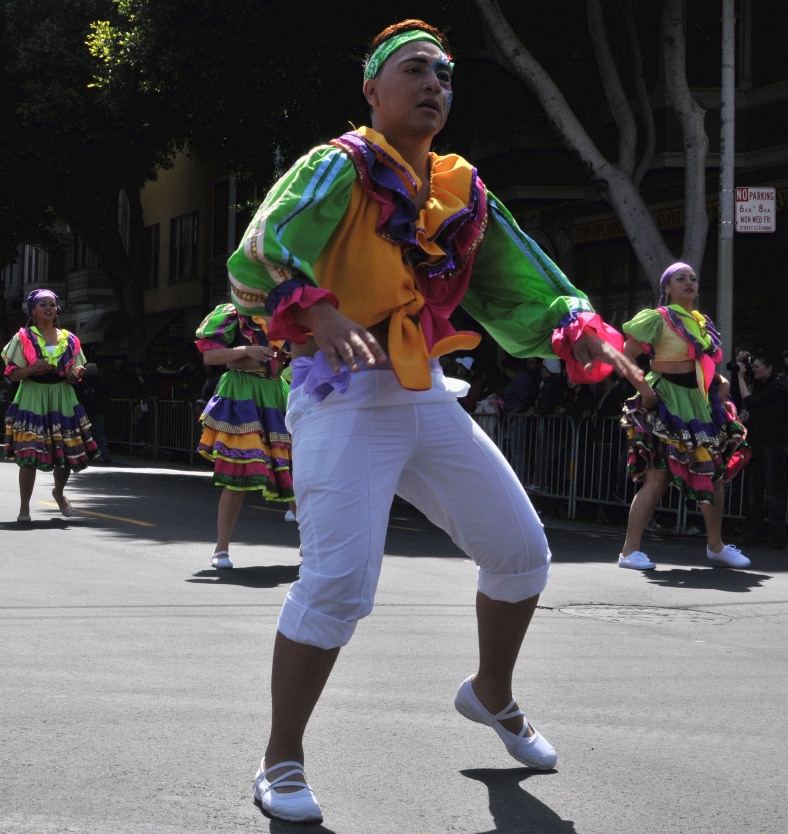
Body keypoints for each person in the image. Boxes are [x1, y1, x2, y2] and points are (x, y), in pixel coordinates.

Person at [224, 21, 644, 823]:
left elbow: (524, 276)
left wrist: (575, 325)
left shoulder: (463, 187)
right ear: (372, 91)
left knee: (522, 555)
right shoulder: (338, 166)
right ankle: (280, 759)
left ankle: (490, 692)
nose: (435, 85)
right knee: (340, 584)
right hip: (343, 398)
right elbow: (259, 252)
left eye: (446, 77)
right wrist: (313, 313)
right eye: (416, 71)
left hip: (424, 393)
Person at [618, 263, 750, 571]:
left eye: (693, 278)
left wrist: (721, 382)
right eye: (681, 278)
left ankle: (716, 547)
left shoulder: (701, 322)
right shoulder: (657, 318)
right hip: (666, 401)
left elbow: (700, 363)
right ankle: (629, 551)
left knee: (712, 477)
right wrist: (644, 391)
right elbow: (625, 356)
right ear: (667, 287)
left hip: (698, 405)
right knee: (658, 478)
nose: (689, 282)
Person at [195, 303, 296, 568]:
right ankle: (221, 549)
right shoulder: (232, 314)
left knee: (291, 475)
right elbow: (210, 357)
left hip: (275, 393)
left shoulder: (287, 311)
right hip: (242, 394)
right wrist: (246, 350)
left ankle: (312, 547)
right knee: (238, 474)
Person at [2, 289, 95, 522]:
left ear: (57, 310)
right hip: (33, 395)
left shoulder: (70, 339)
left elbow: (74, 376)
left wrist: (77, 374)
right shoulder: (23, 338)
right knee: (29, 453)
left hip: (62, 397)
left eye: (52, 304)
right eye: (43, 304)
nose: (48, 308)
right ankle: (24, 508)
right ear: (33, 310)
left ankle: (59, 492)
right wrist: (32, 369)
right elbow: (13, 375)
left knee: (63, 451)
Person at [737, 349, 787, 548]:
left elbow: (751, 402)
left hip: (774, 445)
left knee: (774, 492)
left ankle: (776, 537)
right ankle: (753, 535)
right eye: (753, 367)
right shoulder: (760, 384)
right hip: (758, 443)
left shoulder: (778, 387)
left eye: (758, 367)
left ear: (769, 368)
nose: (754, 370)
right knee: (755, 491)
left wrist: (741, 378)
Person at [75, 362, 112, 463]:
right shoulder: (101, 383)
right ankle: (105, 455)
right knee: (100, 434)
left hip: (84, 412)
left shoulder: (81, 384)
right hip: (98, 412)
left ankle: (84, 454)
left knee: (83, 434)